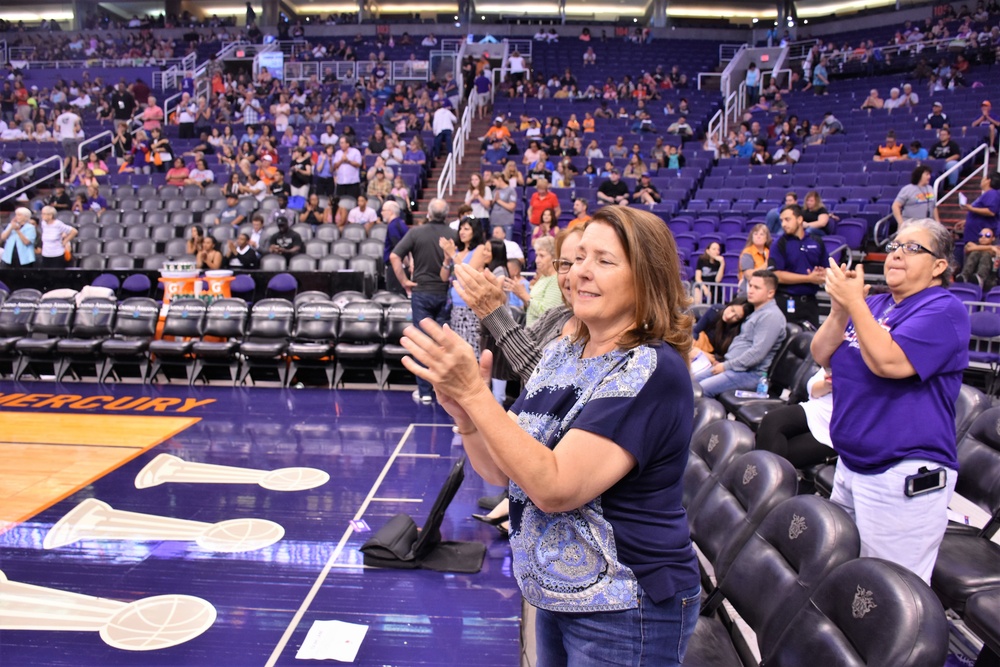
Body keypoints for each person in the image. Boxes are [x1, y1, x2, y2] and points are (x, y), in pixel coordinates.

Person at [400, 206, 700, 667]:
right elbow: (503, 470)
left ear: (646, 277)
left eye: (603, 260)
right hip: (561, 596)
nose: (581, 271)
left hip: (625, 604)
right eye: (577, 258)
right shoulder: (565, 350)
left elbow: (555, 487)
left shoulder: (650, 369)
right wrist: (467, 416)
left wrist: (476, 395)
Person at [811, 219, 969, 584]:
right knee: (843, 577)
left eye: (913, 248)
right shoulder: (876, 303)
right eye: (896, 245)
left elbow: (888, 362)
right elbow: (822, 353)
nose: (897, 253)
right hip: (852, 463)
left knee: (885, 591)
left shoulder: (944, 310)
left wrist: (856, 304)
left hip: (902, 471)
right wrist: (840, 310)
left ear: (939, 266)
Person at [389, 198, 458, 404]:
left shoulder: (415, 232)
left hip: (421, 292)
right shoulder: (453, 235)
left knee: (422, 341)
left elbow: (394, 257)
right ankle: (443, 390)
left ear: (428, 213)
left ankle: (425, 391)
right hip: (445, 293)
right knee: (444, 343)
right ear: (446, 215)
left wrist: (404, 281)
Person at [692, 270, 786, 397]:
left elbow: (757, 353)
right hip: (733, 368)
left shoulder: (771, 316)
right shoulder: (756, 312)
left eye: (756, 288)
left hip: (749, 374)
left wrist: (726, 366)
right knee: (688, 383)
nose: (750, 290)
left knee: (699, 391)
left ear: (770, 293)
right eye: (750, 285)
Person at [754, 367, 835, 469]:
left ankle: (758, 480)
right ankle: (759, 480)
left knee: (781, 454)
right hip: (817, 410)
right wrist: (827, 385)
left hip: (834, 429)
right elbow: (812, 388)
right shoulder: (846, 354)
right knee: (771, 420)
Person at [770, 204, 826, 328]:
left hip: (810, 302)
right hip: (785, 301)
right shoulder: (779, 244)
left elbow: (826, 268)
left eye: (787, 219)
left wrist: (822, 274)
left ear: (800, 219)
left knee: (811, 343)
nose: (783, 224)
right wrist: (808, 278)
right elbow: (776, 275)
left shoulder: (816, 241)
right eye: (781, 220)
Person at [441, 218, 490, 356]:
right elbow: (444, 277)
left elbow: (466, 274)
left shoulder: (480, 249)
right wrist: (446, 259)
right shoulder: (457, 251)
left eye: (466, 229)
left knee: (472, 349)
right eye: (461, 228)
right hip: (455, 307)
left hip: (471, 307)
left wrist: (452, 254)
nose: (462, 232)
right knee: (457, 351)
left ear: (475, 232)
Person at [689, 296, 753, 375]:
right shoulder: (715, 310)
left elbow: (727, 358)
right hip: (698, 351)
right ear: (730, 304)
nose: (730, 316)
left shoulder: (739, 331)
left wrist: (703, 355)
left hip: (717, 362)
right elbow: (695, 331)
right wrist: (691, 347)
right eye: (732, 310)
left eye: (736, 317)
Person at [509, 236, 562, 327]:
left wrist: (524, 295)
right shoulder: (543, 278)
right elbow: (531, 309)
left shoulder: (556, 280)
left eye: (542, 255)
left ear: (554, 257)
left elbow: (548, 314)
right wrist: (521, 296)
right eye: (536, 255)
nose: (537, 260)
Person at [955, 173, 1000, 267]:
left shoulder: (992, 193)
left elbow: (991, 211)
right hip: (975, 234)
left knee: (975, 262)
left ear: (989, 180)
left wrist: (970, 208)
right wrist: (967, 221)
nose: (981, 180)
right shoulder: (987, 194)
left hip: (981, 236)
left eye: (983, 178)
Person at [739, 224, 771, 292]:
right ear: (752, 237)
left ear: (766, 238)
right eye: (755, 234)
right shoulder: (747, 252)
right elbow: (749, 275)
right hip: (749, 291)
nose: (758, 236)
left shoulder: (769, 252)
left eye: (761, 234)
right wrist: (766, 265)